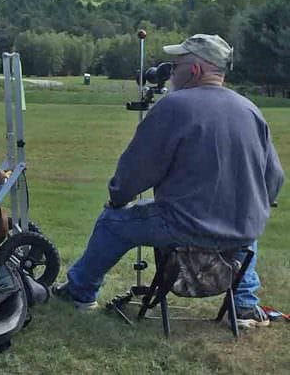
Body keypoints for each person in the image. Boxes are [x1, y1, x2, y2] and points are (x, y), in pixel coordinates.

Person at [53, 34, 285, 328]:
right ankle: (245, 307)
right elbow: (274, 177)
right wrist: (254, 209)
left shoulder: (174, 106)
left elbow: (138, 168)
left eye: (176, 66)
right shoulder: (251, 110)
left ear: (196, 70)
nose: (172, 72)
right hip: (240, 230)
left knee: (112, 223)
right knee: (244, 234)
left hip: (182, 225)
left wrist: (118, 198)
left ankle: (80, 292)